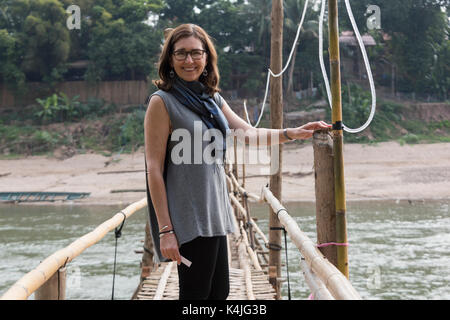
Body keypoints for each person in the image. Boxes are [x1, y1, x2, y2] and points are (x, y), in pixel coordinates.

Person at [144, 23, 330, 300]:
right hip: (188, 219)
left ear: (207, 58)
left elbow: (249, 133)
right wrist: (166, 231)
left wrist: (293, 132)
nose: (189, 60)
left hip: (216, 213)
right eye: (181, 53)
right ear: (169, 59)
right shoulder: (162, 102)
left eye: (196, 53)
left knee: (220, 293)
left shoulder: (211, 99)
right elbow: (154, 170)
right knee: (196, 297)